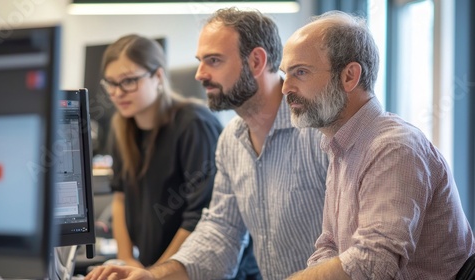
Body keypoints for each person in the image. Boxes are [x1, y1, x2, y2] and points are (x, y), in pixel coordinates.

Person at [86, 7, 328, 280]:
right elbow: (219, 234)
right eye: (200, 61)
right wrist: (153, 277)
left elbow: (363, 249)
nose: (199, 75)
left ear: (257, 62)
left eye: (213, 60)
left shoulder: (319, 131)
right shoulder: (231, 141)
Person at [280, 11, 475, 280]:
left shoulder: (394, 148)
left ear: (349, 76)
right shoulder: (339, 145)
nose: (285, 88)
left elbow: (374, 262)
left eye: (300, 72)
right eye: (285, 74)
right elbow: (329, 245)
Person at [100, 35, 223, 268]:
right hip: (149, 267)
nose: (117, 93)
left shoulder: (194, 124)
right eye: (110, 83)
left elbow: (199, 216)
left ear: (157, 76)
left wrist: (158, 272)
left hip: (188, 269)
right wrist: (126, 260)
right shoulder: (120, 127)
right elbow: (119, 197)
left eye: (128, 81)